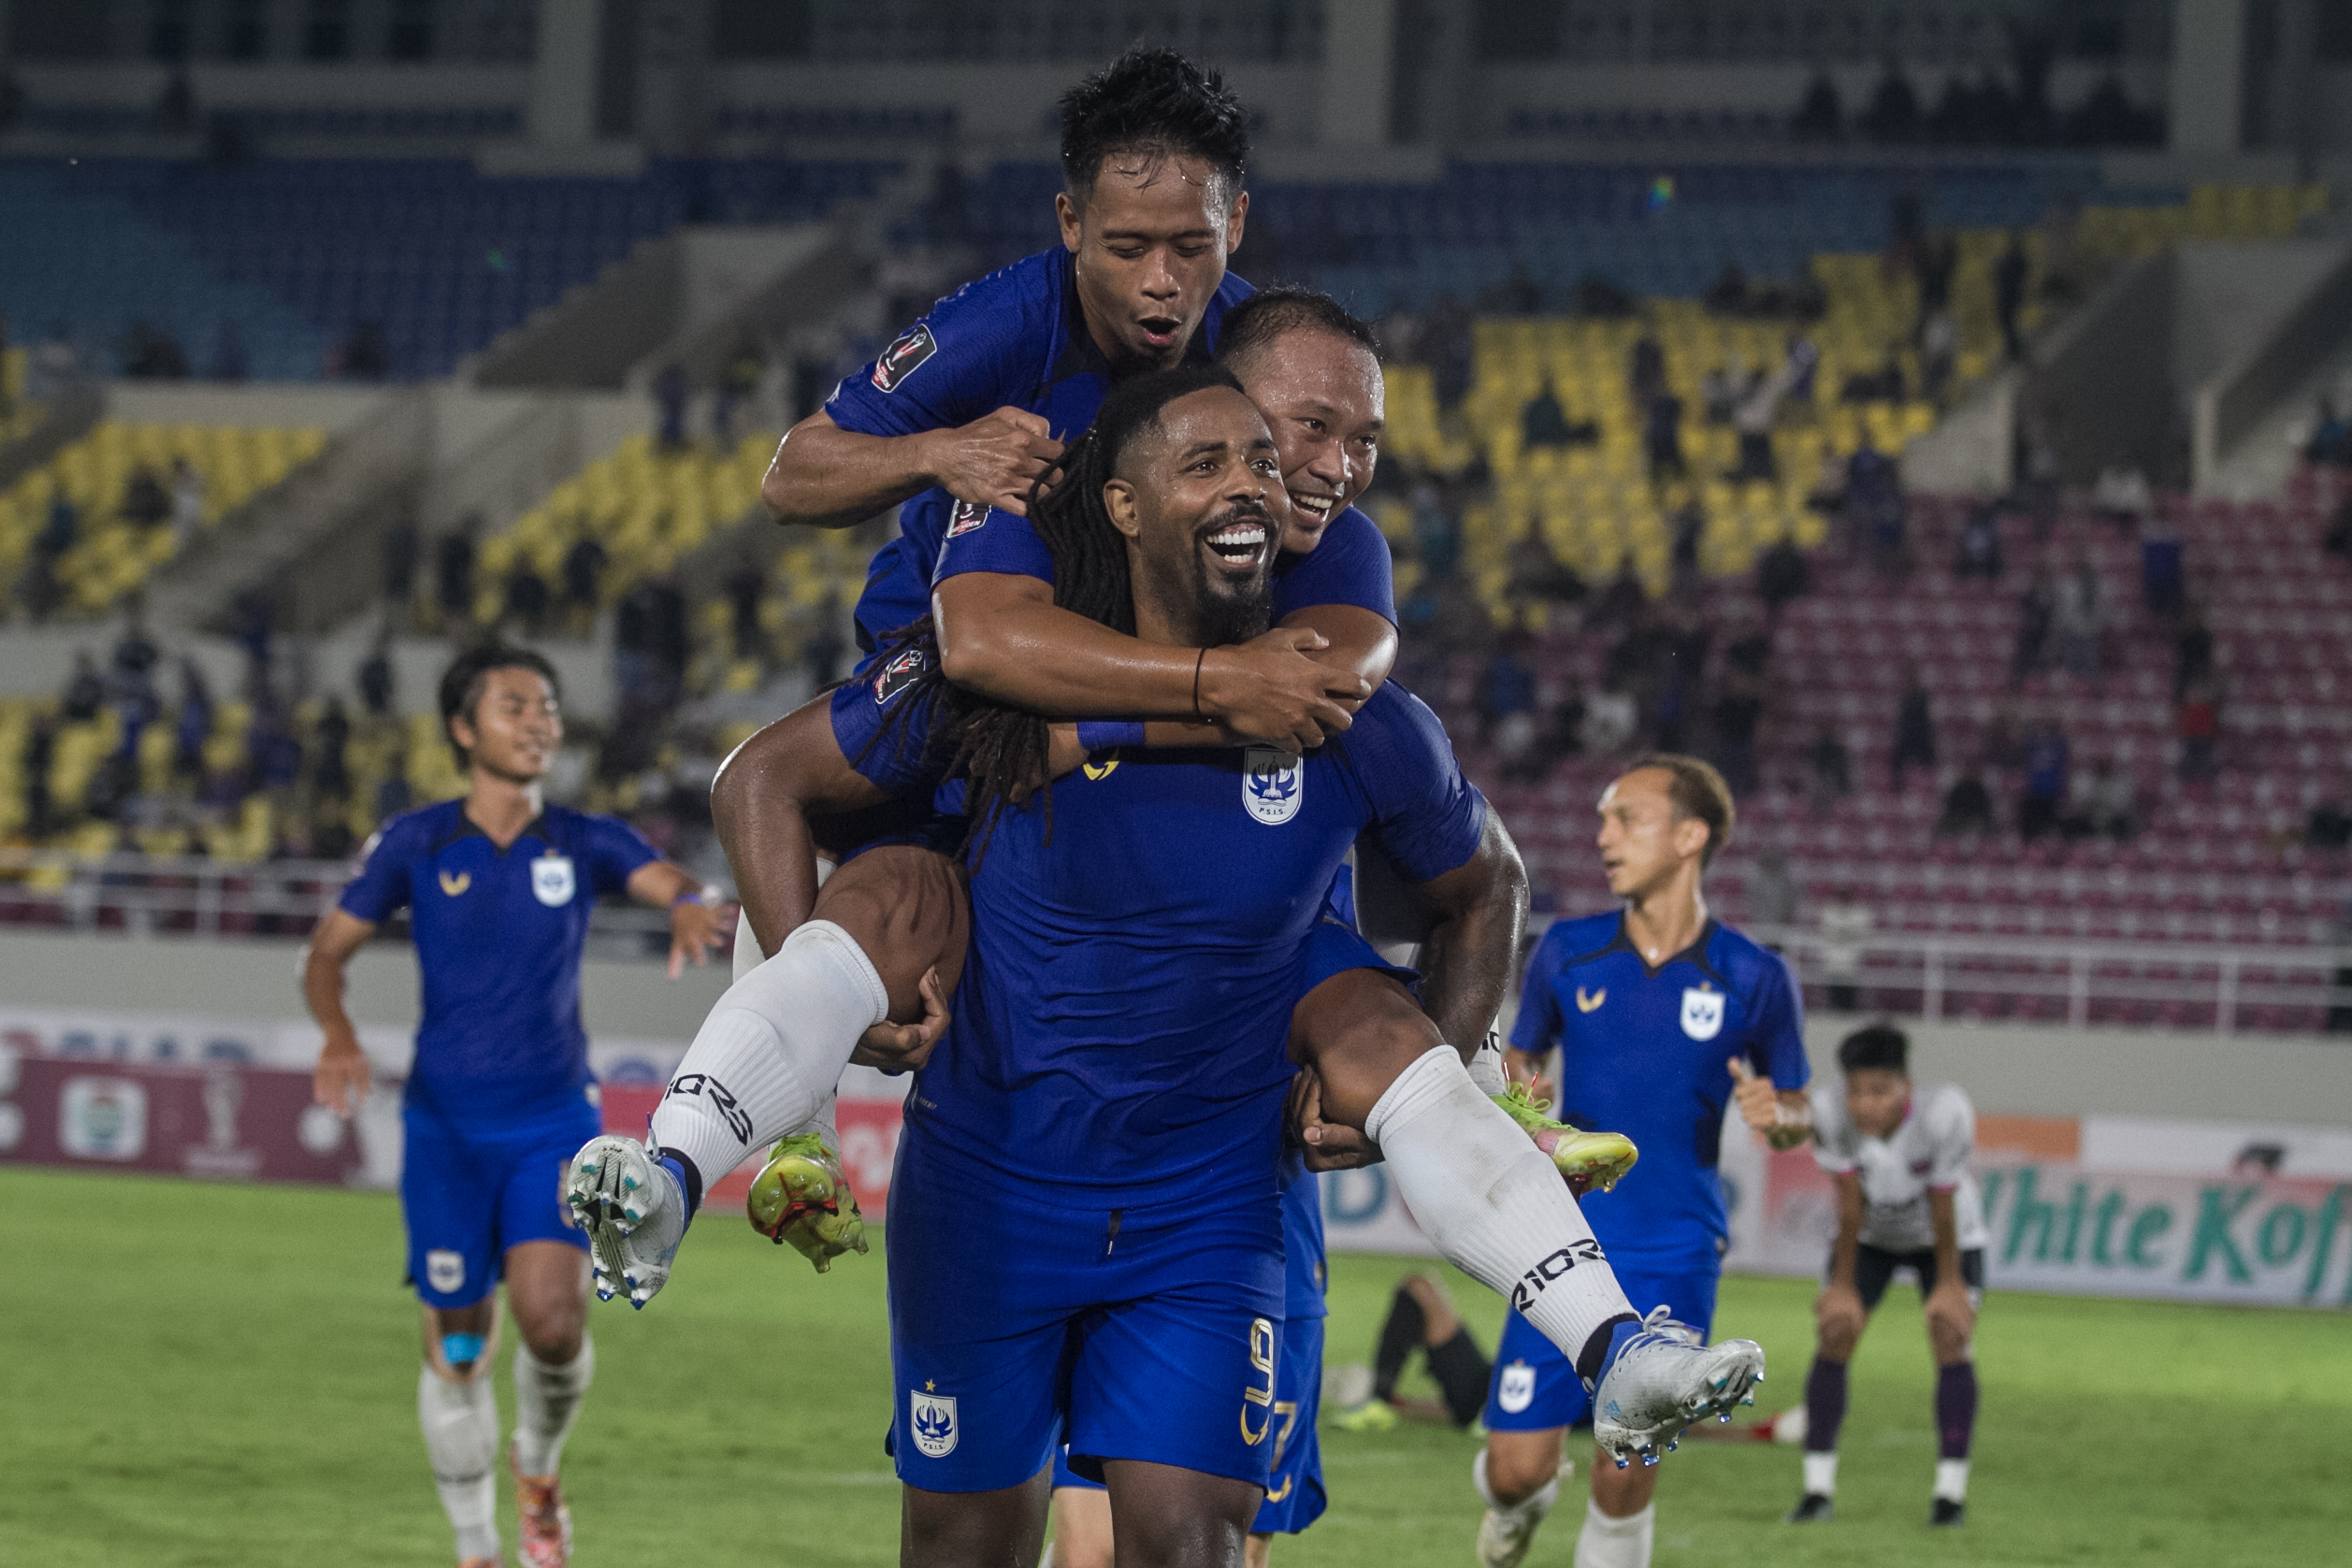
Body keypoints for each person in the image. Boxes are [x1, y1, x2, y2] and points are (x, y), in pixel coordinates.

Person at [575, 372, 1757, 1566]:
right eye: (1203, 464)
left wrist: (1450, 1043)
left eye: (1257, 459)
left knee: (1190, 1546)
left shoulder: (1346, 707)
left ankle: (1615, 1350)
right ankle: (670, 1171)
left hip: (1204, 1212)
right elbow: (762, 778)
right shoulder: (988, 692)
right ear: (1124, 508)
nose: (1247, 481)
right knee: (961, 1546)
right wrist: (824, 1074)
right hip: (990, 1195)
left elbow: (1483, 883)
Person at [302, 645, 730, 1568]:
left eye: (548, 706)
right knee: (459, 1353)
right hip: (445, 1131)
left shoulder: (580, 837)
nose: (541, 721)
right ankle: (474, 1546)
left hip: (551, 1125)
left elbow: (669, 881)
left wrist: (693, 903)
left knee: (555, 1323)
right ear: (464, 728)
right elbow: (326, 952)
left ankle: (537, 1466)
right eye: (515, 706)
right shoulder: (417, 841)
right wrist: (337, 1032)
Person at [1475, 755, 1809, 1568]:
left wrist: (1783, 1114)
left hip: (1677, 1246)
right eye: (1603, 818)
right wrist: (1523, 1088)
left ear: (1691, 836)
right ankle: (1519, 1507)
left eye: (1628, 817)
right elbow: (1513, 1065)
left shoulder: (1757, 977)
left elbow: (1797, 1107)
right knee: (1517, 1469)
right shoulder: (1568, 951)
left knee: (1623, 1472)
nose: (1604, 835)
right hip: (1560, 1237)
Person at [1787, 1023, 1985, 1529]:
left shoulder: (1946, 1114)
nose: (1864, 1104)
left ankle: (1950, 1497)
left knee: (1950, 1336)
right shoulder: (1827, 1113)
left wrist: (1948, 1283)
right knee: (1835, 1331)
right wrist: (1842, 1286)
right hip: (1870, 1237)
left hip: (1947, 1239)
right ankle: (1816, 1491)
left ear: (1906, 1086)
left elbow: (1944, 1204)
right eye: (1855, 1090)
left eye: (1879, 1090)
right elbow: (1849, 1205)